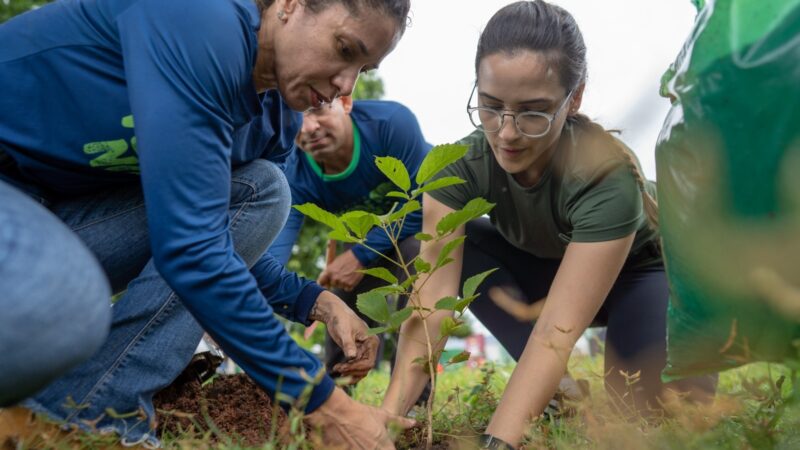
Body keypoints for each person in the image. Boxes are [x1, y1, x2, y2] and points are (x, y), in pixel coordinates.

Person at [0, 0, 414, 448]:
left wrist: (316, 301)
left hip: (50, 217)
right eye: (344, 49)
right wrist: (325, 404)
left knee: (263, 190)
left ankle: (88, 409)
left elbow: (217, 240)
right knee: (68, 306)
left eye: (363, 68)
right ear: (291, 5)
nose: (345, 83)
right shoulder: (199, 17)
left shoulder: (275, 123)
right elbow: (192, 249)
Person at [380, 2, 717, 448]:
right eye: (491, 106)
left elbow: (555, 329)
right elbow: (431, 308)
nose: (507, 133)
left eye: (533, 111)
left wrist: (497, 441)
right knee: (426, 247)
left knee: (646, 417)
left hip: (645, 273)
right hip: (549, 267)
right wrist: (382, 422)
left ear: (574, 98)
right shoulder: (457, 167)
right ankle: (556, 390)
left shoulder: (606, 178)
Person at [268, 95, 431, 375]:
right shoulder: (293, 173)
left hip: (415, 227)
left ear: (344, 102)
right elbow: (271, 259)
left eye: (317, 109)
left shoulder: (390, 124)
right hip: (358, 234)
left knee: (418, 252)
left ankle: (412, 394)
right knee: (341, 288)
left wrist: (360, 254)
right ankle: (338, 386)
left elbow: (426, 201)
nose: (307, 128)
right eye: (294, 116)